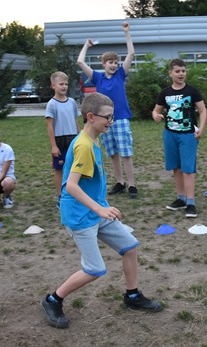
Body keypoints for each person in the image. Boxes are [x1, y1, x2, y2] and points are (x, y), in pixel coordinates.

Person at [41, 93, 162, 329]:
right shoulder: (84, 145)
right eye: (107, 117)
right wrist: (99, 208)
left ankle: (133, 295)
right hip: (80, 216)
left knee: (130, 247)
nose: (111, 121)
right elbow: (71, 186)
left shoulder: (94, 138)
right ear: (90, 117)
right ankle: (52, 300)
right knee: (95, 269)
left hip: (97, 210)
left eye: (112, 117)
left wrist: (102, 206)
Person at [76, 22, 138, 198]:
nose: (114, 65)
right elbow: (80, 61)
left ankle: (132, 184)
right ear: (103, 63)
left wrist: (127, 33)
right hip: (104, 121)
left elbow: (131, 53)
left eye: (116, 62)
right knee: (113, 153)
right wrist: (86, 45)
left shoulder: (120, 75)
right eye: (110, 62)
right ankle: (120, 182)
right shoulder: (97, 77)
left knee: (126, 153)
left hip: (121, 119)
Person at [152, 59, 207, 218]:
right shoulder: (165, 93)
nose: (181, 74)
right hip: (170, 134)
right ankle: (181, 198)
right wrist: (155, 115)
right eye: (177, 71)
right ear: (170, 73)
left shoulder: (192, 91)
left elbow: (202, 111)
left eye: (183, 71)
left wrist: (201, 128)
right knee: (176, 167)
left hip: (189, 135)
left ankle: (191, 202)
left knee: (188, 169)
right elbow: (156, 110)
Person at [45, 71, 80, 207]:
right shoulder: (52, 104)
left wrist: (80, 136)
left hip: (73, 139)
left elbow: (75, 120)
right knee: (59, 169)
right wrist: (54, 146)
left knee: (74, 168)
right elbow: (50, 126)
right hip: (59, 141)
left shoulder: (71, 102)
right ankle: (60, 196)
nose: (64, 86)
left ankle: (74, 194)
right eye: (61, 84)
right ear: (53, 85)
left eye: (66, 84)